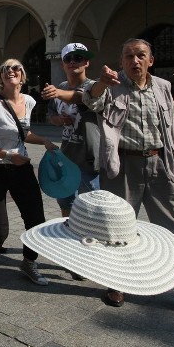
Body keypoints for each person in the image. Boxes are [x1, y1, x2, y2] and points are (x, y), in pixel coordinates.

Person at [82, 38, 174, 311]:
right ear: (121, 61)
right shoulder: (110, 86)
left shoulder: (163, 87)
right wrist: (101, 82)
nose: (134, 61)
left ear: (151, 60)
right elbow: (91, 101)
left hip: (160, 164)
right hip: (123, 166)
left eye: (140, 55)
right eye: (128, 56)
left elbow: (173, 126)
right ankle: (117, 285)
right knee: (118, 230)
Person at [0, 59, 58, 299]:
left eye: (16, 67)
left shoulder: (29, 101)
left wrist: (45, 141)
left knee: (36, 221)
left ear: (23, 75)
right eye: (5, 68)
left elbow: (24, 132)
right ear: (0, 78)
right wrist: (6, 155)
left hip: (21, 169)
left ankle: (28, 263)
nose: (11, 71)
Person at [42, 42, 101, 217]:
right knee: (66, 203)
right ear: (62, 63)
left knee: (90, 210)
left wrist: (58, 93)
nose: (73, 62)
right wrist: (59, 120)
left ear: (86, 63)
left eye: (78, 58)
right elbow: (50, 115)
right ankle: (67, 236)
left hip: (89, 160)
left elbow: (82, 98)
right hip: (67, 157)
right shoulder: (60, 87)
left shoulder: (95, 87)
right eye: (68, 58)